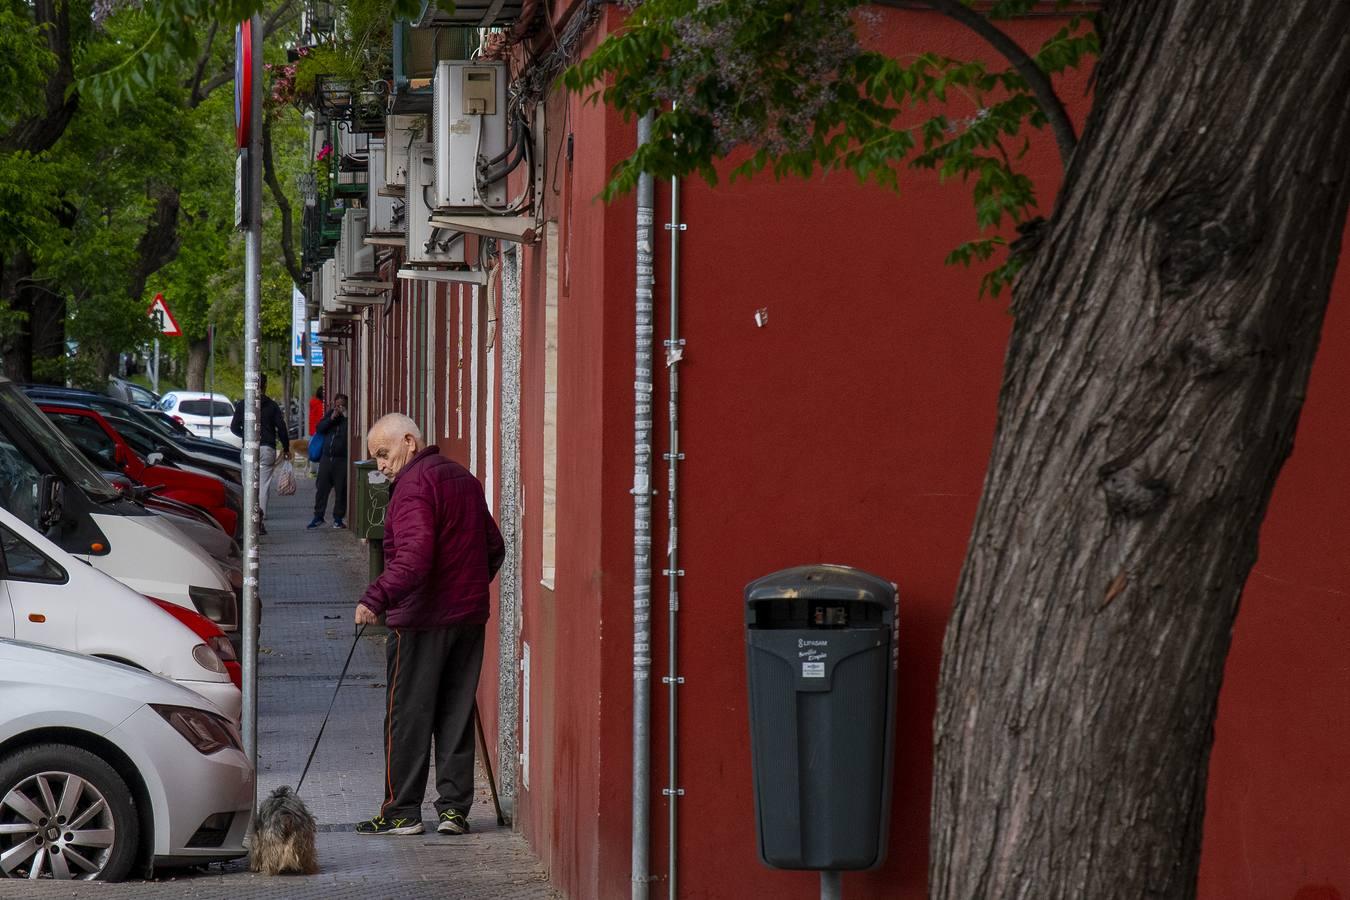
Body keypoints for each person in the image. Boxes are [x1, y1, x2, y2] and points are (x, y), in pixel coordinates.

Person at [353, 413, 504, 837]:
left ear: (409, 442)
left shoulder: (414, 487)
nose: (380, 466)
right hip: (468, 619)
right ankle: (454, 811)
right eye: (376, 458)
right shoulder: (462, 478)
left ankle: (402, 811)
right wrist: (466, 589)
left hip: (420, 622)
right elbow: (494, 547)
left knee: (408, 715)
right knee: (455, 712)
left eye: (383, 454)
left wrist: (374, 598)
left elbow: (414, 559)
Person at [229, 373, 291, 535]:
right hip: (267, 448)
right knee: (263, 484)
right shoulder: (272, 406)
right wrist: (286, 448)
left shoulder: (243, 405)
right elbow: (282, 428)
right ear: (265, 385)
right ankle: (261, 517)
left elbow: (234, 427)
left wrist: (246, 436)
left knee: (248, 483)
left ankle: (249, 515)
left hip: (249, 448)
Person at [308, 392, 348, 529]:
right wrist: (331, 418)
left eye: (342, 406)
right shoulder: (330, 415)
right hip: (326, 457)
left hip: (341, 459)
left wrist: (345, 417)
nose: (339, 408)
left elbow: (348, 432)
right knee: (322, 488)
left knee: (341, 489)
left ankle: (338, 518)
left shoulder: (347, 420)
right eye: (337, 405)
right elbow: (319, 428)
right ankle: (318, 516)